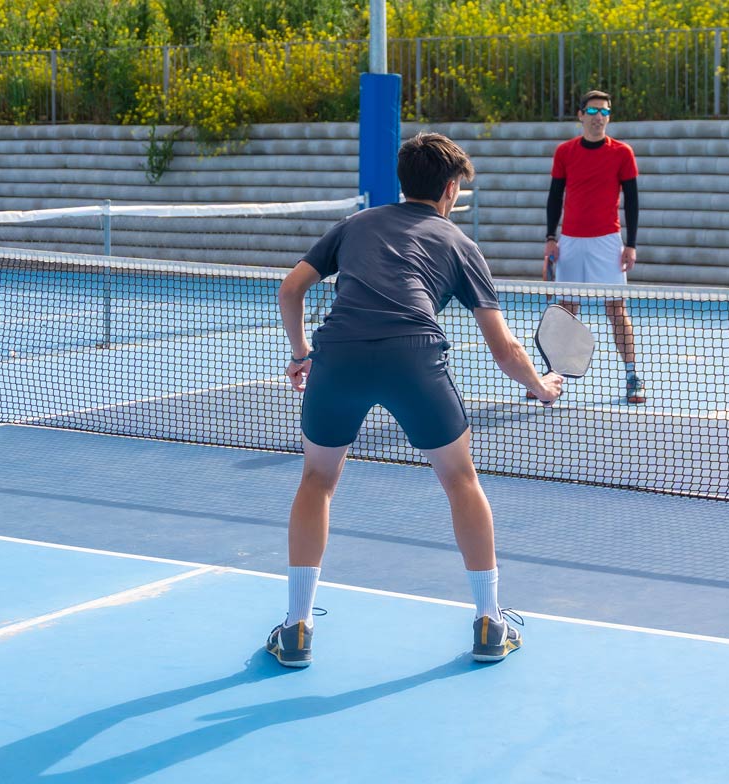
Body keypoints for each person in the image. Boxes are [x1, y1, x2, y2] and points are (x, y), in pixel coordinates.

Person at [269, 132, 564, 668]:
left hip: (340, 357)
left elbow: (291, 289)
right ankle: (490, 623)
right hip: (414, 358)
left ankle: (296, 628)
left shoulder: (355, 225)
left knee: (317, 481)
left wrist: (301, 352)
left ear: (403, 182)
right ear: (451, 189)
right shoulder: (460, 244)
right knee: (460, 480)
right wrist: (539, 386)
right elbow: (504, 347)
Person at [544, 89, 645, 404]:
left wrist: (630, 244)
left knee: (616, 310)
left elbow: (632, 200)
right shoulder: (565, 152)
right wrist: (551, 238)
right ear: (580, 115)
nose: (599, 117)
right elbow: (554, 197)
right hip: (571, 242)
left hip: (607, 243)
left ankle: (632, 376)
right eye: (593, 111)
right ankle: (551, 377)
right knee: (566, 311)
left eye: (604, 112)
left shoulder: (622, 153)